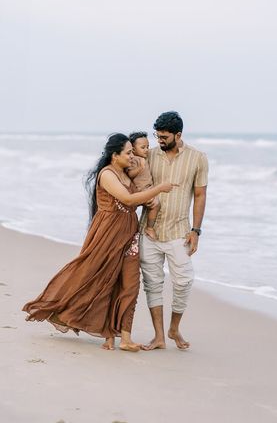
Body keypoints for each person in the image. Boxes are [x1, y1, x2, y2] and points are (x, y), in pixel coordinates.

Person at [22, 133, 175, 352]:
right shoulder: (107, 175)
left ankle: (125, 338)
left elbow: (136, 199)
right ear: (115, 155)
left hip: (129, 235)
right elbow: (128, 199)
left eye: (133, 152)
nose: (132, 157)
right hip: (108, 235)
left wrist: (150, 198)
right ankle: (103, 332)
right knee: (103, 281)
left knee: (131, 286)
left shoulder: (127, 174)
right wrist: (159, 189)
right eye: (128, 153)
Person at [139, 111, 208, 350]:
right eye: (158, 136)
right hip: (149, 231)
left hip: (179, 231)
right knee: (152, 283)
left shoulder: (198, 158)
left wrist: (196, 230)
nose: (160, 140)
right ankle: (159, 336)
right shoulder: (149, 156)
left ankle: (174, 328)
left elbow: (200, 195)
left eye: (165, 136)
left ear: (178, 135)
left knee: (184, 281)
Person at [127, 131, 160, 240]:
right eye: (143, 147)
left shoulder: (145, 158)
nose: (146, 150)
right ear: (133, 149)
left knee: (156, 203)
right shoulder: (133, 160)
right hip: (140, 191)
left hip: (148, 188)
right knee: (156, 204)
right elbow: (129, 174)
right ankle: (149, 228)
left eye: (148, 147)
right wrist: (139, 168)